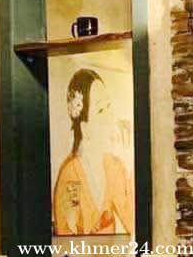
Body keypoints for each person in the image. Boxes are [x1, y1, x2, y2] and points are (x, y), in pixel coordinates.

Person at [52, 68, 133, 235]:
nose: (110, 118)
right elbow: (66, 238)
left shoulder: (115, 168)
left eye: (109, 107)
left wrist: (130, 157)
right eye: (101, 110)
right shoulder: (70, 175)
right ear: (84, 126)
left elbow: (134, 222)